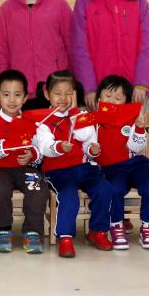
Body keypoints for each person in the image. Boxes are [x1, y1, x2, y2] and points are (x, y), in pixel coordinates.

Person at [34, 71, 113, 257]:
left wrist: (92, 150)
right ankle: (66, 237)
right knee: (69, 194)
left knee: (104, 189)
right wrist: (59, 147)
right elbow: (44, 146)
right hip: (57, 171)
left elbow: (86, 139)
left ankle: (97, 231)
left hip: (84, 168)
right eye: (57, 93)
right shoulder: (42, 120)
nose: (63, 98)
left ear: (75, 94)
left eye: (68, 93)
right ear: (47, 94)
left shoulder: (82, 116)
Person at [70, 0, 149, 109]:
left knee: (133, 127)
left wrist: (142, 82)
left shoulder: (138, 1)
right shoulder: (84, 2)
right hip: (99, 92)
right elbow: (79, 48)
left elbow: (148, 44)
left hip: (134, 90)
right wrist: (88, 87)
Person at [0, 69, 48, 254]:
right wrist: (6, 145)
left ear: (25, 98)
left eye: (17, 95)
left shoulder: (33, 122)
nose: (12, 100)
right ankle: (4, 230)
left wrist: (32, 155)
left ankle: (32, 232)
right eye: (6, 94)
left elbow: (41, 147)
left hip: (25, 168)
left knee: (38, 188)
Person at [0, 0, 72, 106]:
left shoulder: (59, 5)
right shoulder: (7, 9)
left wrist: (72, 84)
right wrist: (2, 86)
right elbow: (2, 52)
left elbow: (71, 46)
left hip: (54, 91)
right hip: (19, 93)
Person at [93, 75, 149, 250]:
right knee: (114, 190)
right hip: (111, 169)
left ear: (126, 102)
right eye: (108, 96)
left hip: (136, 164)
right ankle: (116, 226)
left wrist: (139, 127)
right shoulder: (93, 121)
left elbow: (136, 146)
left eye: (118, 98)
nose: (112, 101)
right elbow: (86, 146)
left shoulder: (132, 118)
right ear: (99, 99)